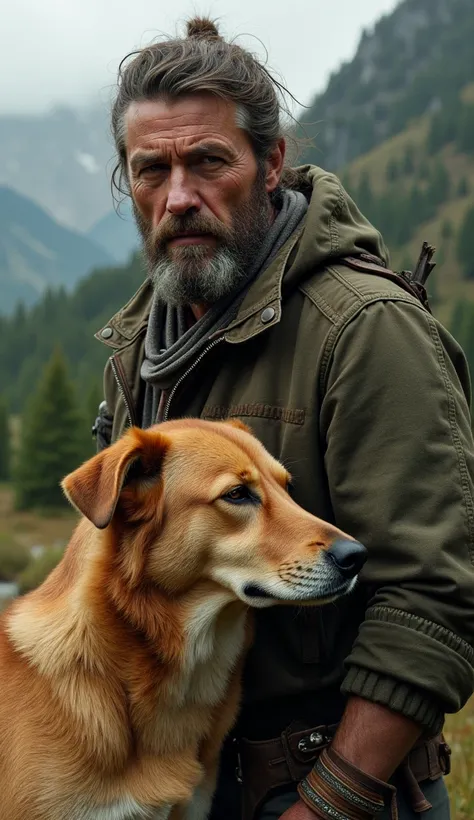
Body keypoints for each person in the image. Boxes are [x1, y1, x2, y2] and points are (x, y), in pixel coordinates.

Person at [93, 17, 474, 820]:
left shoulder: (365, 329)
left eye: (208, 162)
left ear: (271, 163)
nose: (179, 196)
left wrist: (328, 801)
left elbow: (433, 601)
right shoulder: (137, 345)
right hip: (179, 788)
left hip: (330, 788)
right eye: (151, 169)